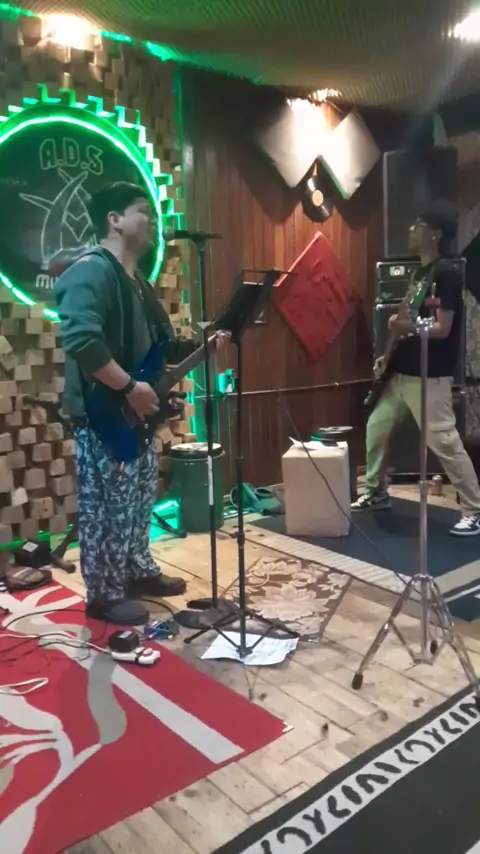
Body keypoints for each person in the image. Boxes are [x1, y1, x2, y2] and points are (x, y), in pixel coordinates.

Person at [55, 181, 220, 624]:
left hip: (136, 415)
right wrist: (129, 387)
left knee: (138, 499)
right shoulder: (92, 271)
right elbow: (82, 341)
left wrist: (203, 345)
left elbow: (158, 346)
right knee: (105, 510)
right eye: (143, 211)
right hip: (104, 416)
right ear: (115, 220)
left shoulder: (139, 282)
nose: (153, 220)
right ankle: (104, 595)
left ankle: (136, 568)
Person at [352, 199, 480, 536]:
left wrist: (405, 326)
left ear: (435, 234)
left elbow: (442, 328)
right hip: (401, 372)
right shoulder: (420, 273)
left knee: (445, 443)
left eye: (418, 225)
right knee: (376, 428)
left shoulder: (447, 274)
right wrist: (387, 354)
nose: (411, 230)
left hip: (429, 375)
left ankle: (475, 509)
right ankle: (376, 492)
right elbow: (404, 321)